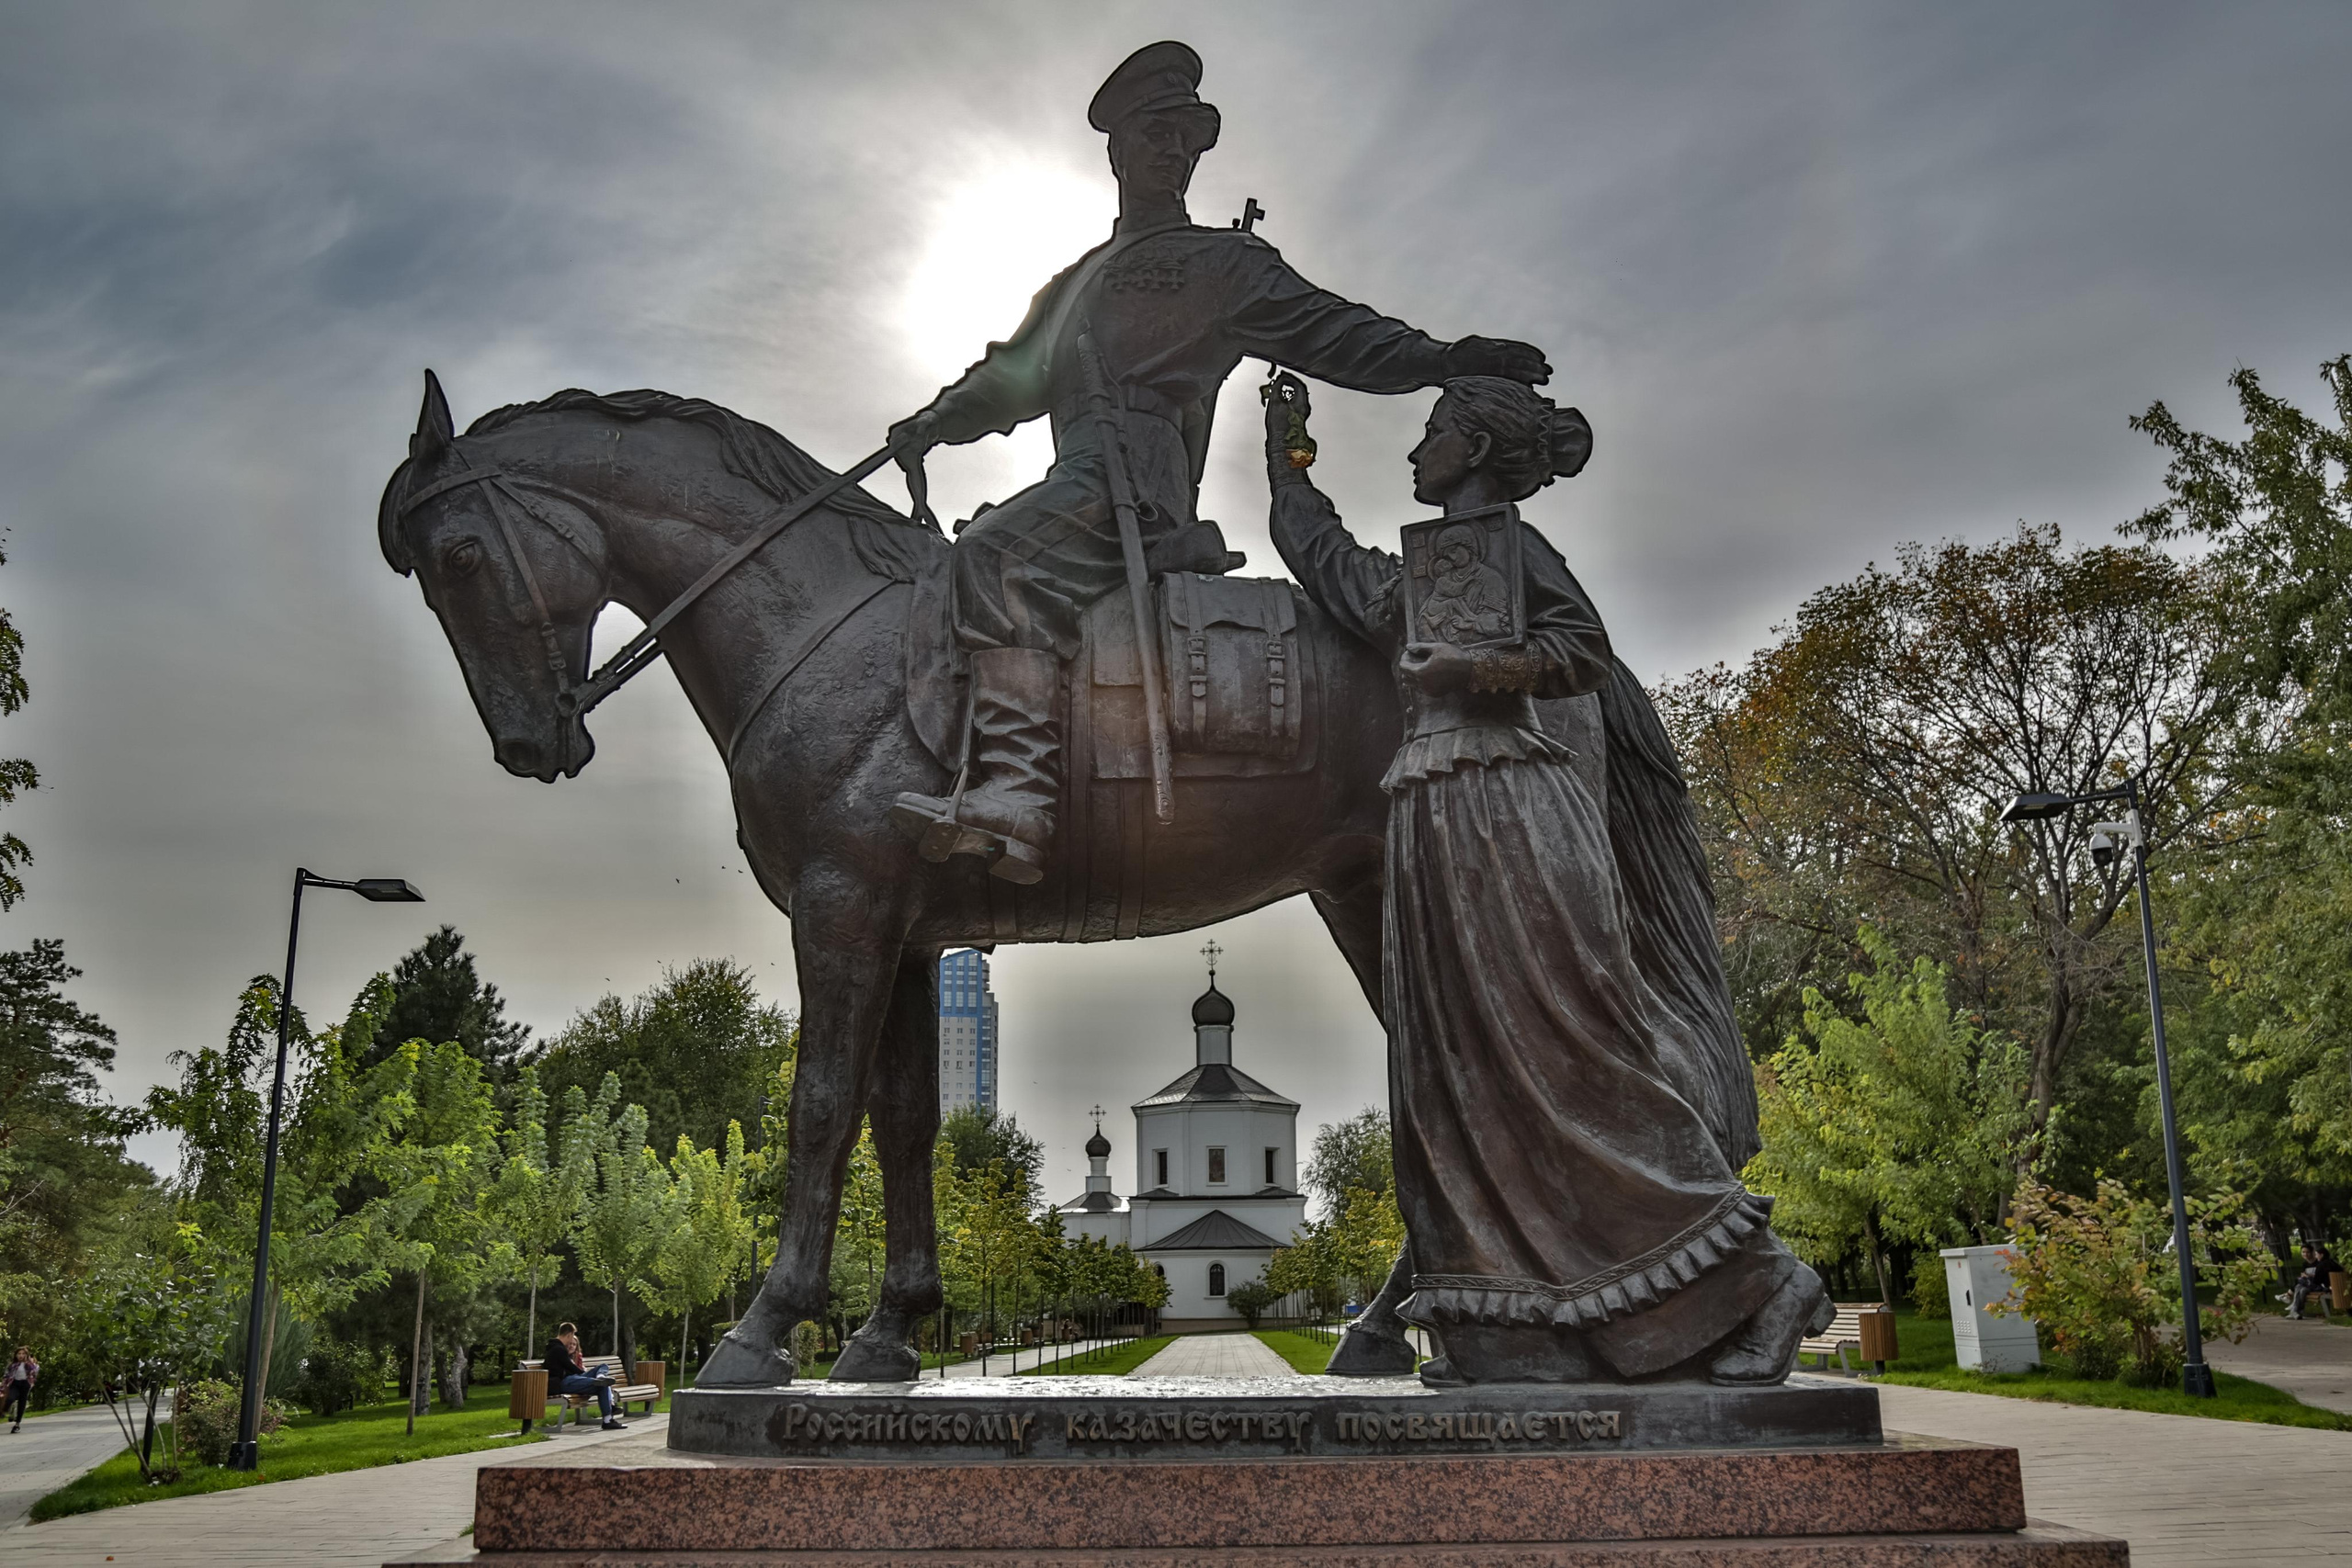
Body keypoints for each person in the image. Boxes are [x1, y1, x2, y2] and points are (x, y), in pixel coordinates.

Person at [1264, 370, 1830, 1385]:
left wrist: (1476, 672)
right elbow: (1340, 575)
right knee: (1454, 1067)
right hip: (1432, 805)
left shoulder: (1516, 548)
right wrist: (1287, 460)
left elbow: (1582, 653)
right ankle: (1516, 1322)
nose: (1414, 450)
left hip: (1506, 798)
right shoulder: (1431, 560)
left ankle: (1762, 1275)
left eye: (1432, 432)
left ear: (1476, 451)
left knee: (1561, 1048)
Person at [886, 39, 1552, 885]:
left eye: (1186, 137)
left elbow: (1336, 333)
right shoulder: (1072, 282)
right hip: (1078, 480)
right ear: (1119, 148)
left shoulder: (1224, 266)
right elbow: (1010, 378)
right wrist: (933, 421)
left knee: (993, 557)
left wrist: (1447, 357)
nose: (1173, 151)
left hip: (1135, 488)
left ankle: (1018, 792)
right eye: (1156, 134)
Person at [544, 1322, 624, 1431]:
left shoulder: (556, 1347)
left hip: (572, 1379)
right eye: (572, 1336)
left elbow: (572, 1368)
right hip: (564, 1383)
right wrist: (586, 1375)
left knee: (603, 1372)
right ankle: (607, 1420)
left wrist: (588, 1374)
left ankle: (600, 1377)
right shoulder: (558, 1349)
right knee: (603, 1384)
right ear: (569, 1334)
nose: (571, 1340)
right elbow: (572, 1368)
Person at [2289, 1243, 2341, 1319]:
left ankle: (2294, 1307)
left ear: (2321, 1255)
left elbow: (2317, 1281)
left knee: (2299, 1282)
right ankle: (2296, 1311)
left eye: (2316, 1254)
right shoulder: (2332, 1262)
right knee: (2301, 1289)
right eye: (2303, 1252)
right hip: (2333, 1286)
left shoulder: (2321, 1265)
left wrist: (2308, 1277)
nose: (2316, 1256)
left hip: (2324, 1287)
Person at [5, 1348, 34, 1432]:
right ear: (16, 1355)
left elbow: (33, 1374)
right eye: (19, 1354)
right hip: (15, 1384)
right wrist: (5, 1384)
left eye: (23, 1354)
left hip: (25, 1384)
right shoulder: (12, 1365)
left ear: (26, 1355)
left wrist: (31, 1383)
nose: (21, 1355)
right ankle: (7, 1412)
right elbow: (6, 1375)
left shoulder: (29, 1365)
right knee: (10, 1398)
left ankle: (17, 1424)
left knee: (22, 1403)